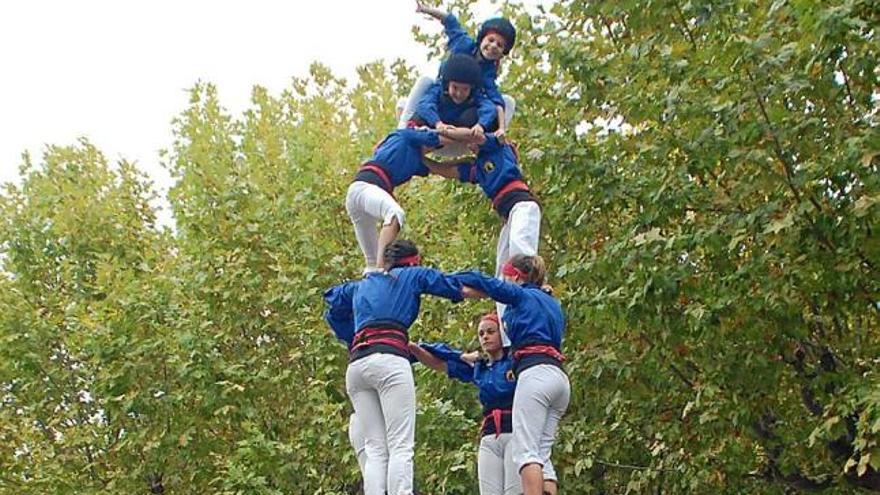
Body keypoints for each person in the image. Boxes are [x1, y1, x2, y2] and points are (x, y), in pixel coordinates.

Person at [323, 239, 471, 495]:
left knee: (375, 447)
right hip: (390, 360)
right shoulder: (412, 275)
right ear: (412, 259)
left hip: (357, 365)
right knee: (401, 445)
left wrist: (353, 335)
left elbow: (332, 307)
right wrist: (490, 289)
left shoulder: (362, 286)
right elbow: (449, 285)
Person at [454, 255, 569, 495]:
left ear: (515, 276)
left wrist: (446, 281)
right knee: (542, 453)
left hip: (535, 374)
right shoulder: (552, 303)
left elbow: (482, 280)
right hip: (559, 377)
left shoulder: (521, 295)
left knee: (525, 452)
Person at [409, 312, 559, 495]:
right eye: (481, 334)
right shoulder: (479, 368)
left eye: (490, 332)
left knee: (515, 491)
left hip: (516, 432)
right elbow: (439, 363)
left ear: (501, 334)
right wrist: (418, 348)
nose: (485, 337)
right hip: (490, 437)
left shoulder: (517, 360)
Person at [427, 132, 540, 327]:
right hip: (508, 216)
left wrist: (452, 132)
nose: (470, 145)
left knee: (520, 253)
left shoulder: (498, 147)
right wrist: (420, 160)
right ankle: (509, 333)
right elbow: (447, 169)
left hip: (522, 206)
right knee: (502, 273)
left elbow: (479, 134)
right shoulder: (477, 168)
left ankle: (533, 294)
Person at [398, 2, 517, 151]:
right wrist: (426, 10)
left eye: (499, 45)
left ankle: (484, 143)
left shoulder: (488, 74)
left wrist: (500, 129)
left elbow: (495, 102)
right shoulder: (463, 44)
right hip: (443, 104)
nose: (493, 46)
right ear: (482, 39)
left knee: (508, 101)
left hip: (462, 115)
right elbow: (450, 21)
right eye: (491, 40)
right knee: (425, 82)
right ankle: (401, 129)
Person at [346, 126, 459, 274]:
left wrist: (470, 162)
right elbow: (445, 137)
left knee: (371, 264)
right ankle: (382, 269)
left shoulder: (416, 159)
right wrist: (473, 136)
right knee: (394, 214)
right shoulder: (405, 136)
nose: (430, 151)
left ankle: (375, 283)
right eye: (432, 147)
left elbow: (442, 169)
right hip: (365, 187)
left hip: (359, 196)